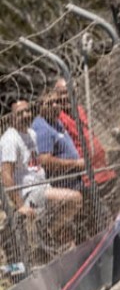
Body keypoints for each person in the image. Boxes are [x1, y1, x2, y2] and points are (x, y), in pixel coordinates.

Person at [1, 99, 82, 244]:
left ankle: (47, 235)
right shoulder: (9, 139)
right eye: (20, 113)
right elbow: (6, 174)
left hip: (43, 186)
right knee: (75, 199)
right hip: (30, 193)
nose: (26, 115)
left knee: (69, 227)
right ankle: (47, 233)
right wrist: (20, 206)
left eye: (27, 111)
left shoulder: (31, 133)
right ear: (11, 117)